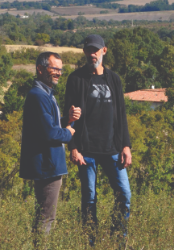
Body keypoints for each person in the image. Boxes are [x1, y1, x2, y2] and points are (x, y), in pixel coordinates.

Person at [67, 34, 134, 244]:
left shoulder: (114, 79)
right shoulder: (76, 79)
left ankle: (118, 239)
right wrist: (73, 148)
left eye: (96, 49)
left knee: (124, 195)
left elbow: (121, 115)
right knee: (89, 199)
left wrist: (126, 145)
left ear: (104, 51)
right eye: (88, 49)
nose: (92, 53)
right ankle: (91, 242)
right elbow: (68, 118)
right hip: (86, 151)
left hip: (113, 149)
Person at [19, 51, 75, 236]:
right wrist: (68, 133)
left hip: (49, 164)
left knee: (45, 215)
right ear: (40, 69)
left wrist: (67, 118)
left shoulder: (45, 94)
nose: (59, 73)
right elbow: (50, 133)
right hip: (47, 166)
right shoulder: (39, 96)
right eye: (54, 68)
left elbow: (49, 125)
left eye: (61, 69)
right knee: (46, 217)